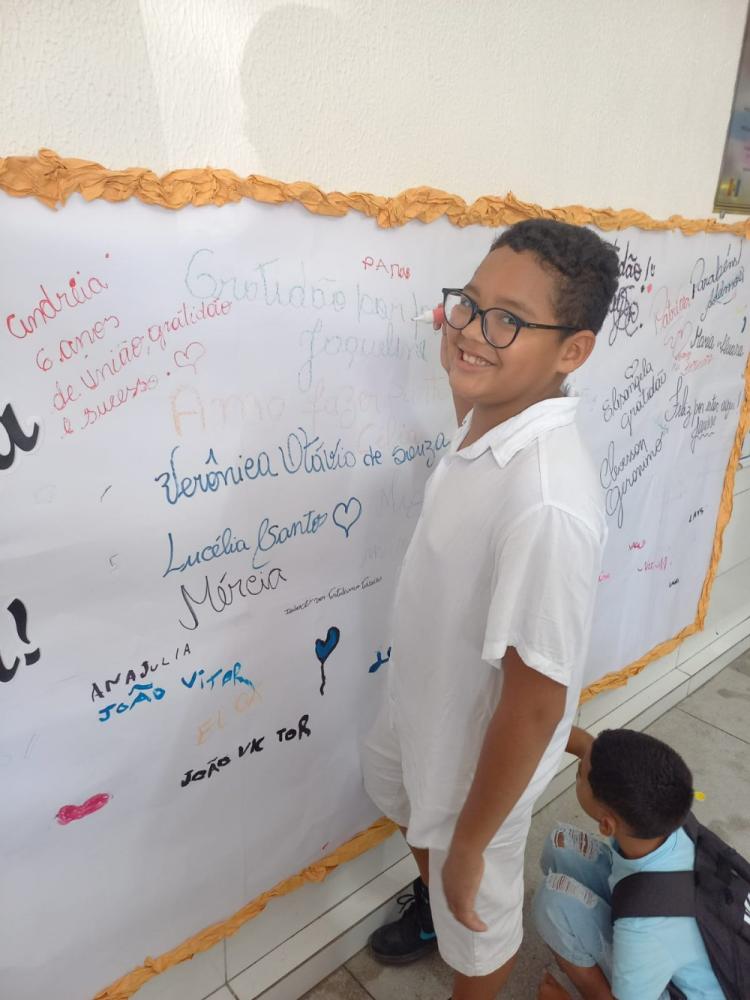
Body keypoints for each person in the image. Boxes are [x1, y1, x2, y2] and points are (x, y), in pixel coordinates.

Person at [361, 218, 619, 1000]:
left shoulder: (545, 504)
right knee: (396, 796)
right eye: (469, 304)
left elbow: (535, 701)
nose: (472, 330)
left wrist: (472, 842)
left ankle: (458, 909)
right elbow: (470, 386)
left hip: (480, 767)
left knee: (480, 926)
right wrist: (469, 362)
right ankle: (440, 897)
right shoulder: (493, 416)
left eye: (508, 320)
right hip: (425, 702)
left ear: (573, 351)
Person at [533, 727, 725, 1000]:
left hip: (671, 982)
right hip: (677, 923)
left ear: (606, 825)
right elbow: (591, 749)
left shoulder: (643, 932)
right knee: (560, 845)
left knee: (552, 904)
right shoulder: (666, 815)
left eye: (579, 775)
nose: (579, 767)